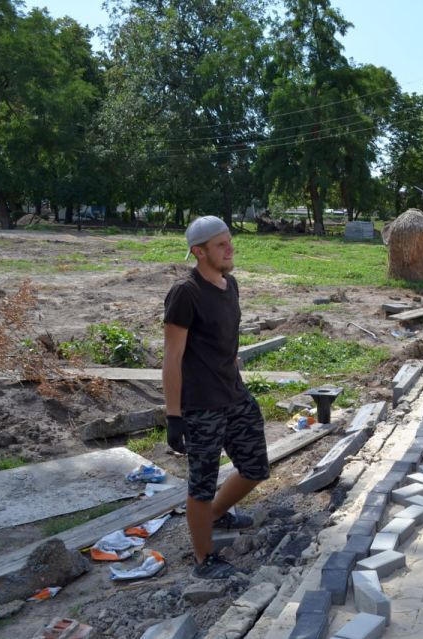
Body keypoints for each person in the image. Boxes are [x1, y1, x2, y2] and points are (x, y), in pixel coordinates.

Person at [163, 215, 269, 579]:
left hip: (233, 394)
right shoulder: (185, 293)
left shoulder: (231, 285)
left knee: (256, 467)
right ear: (199, 251)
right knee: (202, 483)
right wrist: (174, 416)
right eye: (220, 245)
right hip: (201, 405)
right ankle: (203, 558)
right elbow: (172, 358)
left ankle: (214, 517)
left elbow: (223, 343)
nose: (229, 249)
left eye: (229, 242)